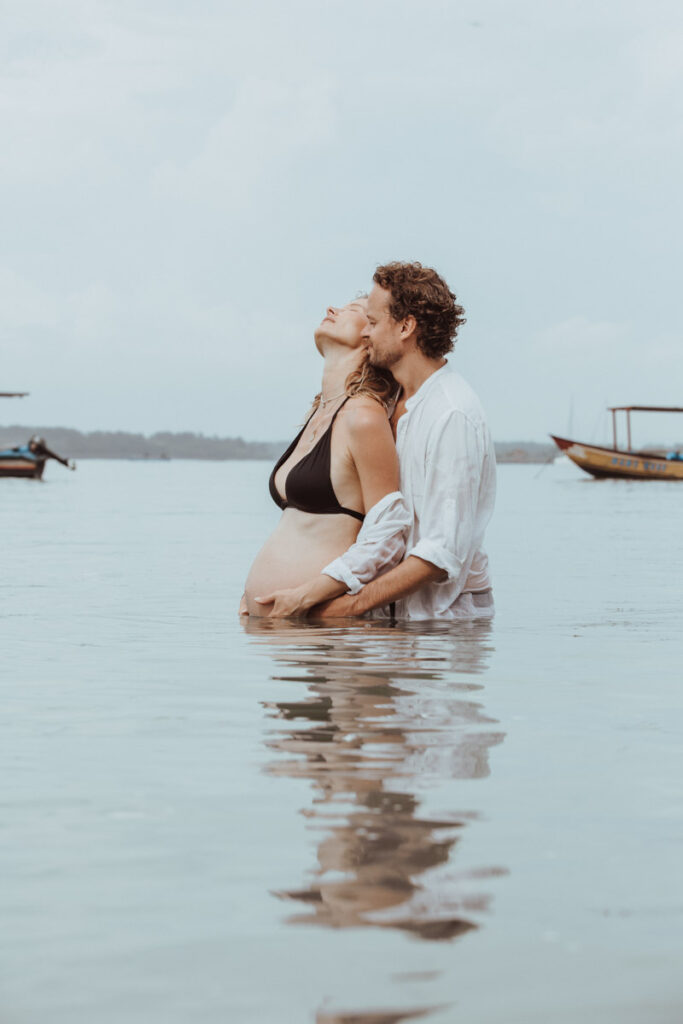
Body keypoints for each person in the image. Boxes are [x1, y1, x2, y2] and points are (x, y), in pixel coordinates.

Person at [308, 261, 497, 620]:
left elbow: (440, 555)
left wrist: (347, 608)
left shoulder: (451, 413)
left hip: (441, 631)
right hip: (391, 621)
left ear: (406, 327)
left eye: (374, 323)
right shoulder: (389, 404)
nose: (366, 334)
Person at [241, 297, 411, 618]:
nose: (333, 309)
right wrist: (249, 595)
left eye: (354, 310)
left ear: (370, 334)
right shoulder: (320, 411)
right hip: (282, 634)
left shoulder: (363, 416)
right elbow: (300, 528)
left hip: (325, 638)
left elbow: (387, 534)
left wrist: (306, 597)